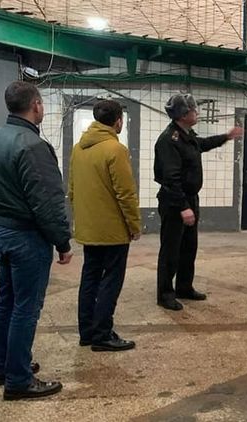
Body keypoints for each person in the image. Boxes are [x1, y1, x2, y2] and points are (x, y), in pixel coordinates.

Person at [0, 80, 72, 400]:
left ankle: (4, 366)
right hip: (26, 237)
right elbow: (47, 202)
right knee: (26, 307)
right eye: (41, 103)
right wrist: (62, 241)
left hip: (1, 228)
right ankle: (18, 380)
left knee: (6, 300)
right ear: (35, 105)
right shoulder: (33, 146)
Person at [154, 94, 243, 310]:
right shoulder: (169, 140)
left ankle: (184, 287)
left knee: (188, 247)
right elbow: (171, 178)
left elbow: (202, 144)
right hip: (175, 202)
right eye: (194, 110)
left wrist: (226, 137)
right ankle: (165, 294)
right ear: (183, 115)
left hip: (189, 199)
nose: (197, 112)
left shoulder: (187, 135)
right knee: (171, 250)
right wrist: (183, 207)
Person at [68, 100, 140, 352]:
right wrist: (134, 224)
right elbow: (125, 193)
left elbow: (72, 189)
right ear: (118, 121)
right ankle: (102, 334)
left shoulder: (78, 148)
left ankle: (87, 332)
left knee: (89, 277)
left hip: (88, 227)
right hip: (112, 230)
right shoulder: (115, 149)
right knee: (111, 280)